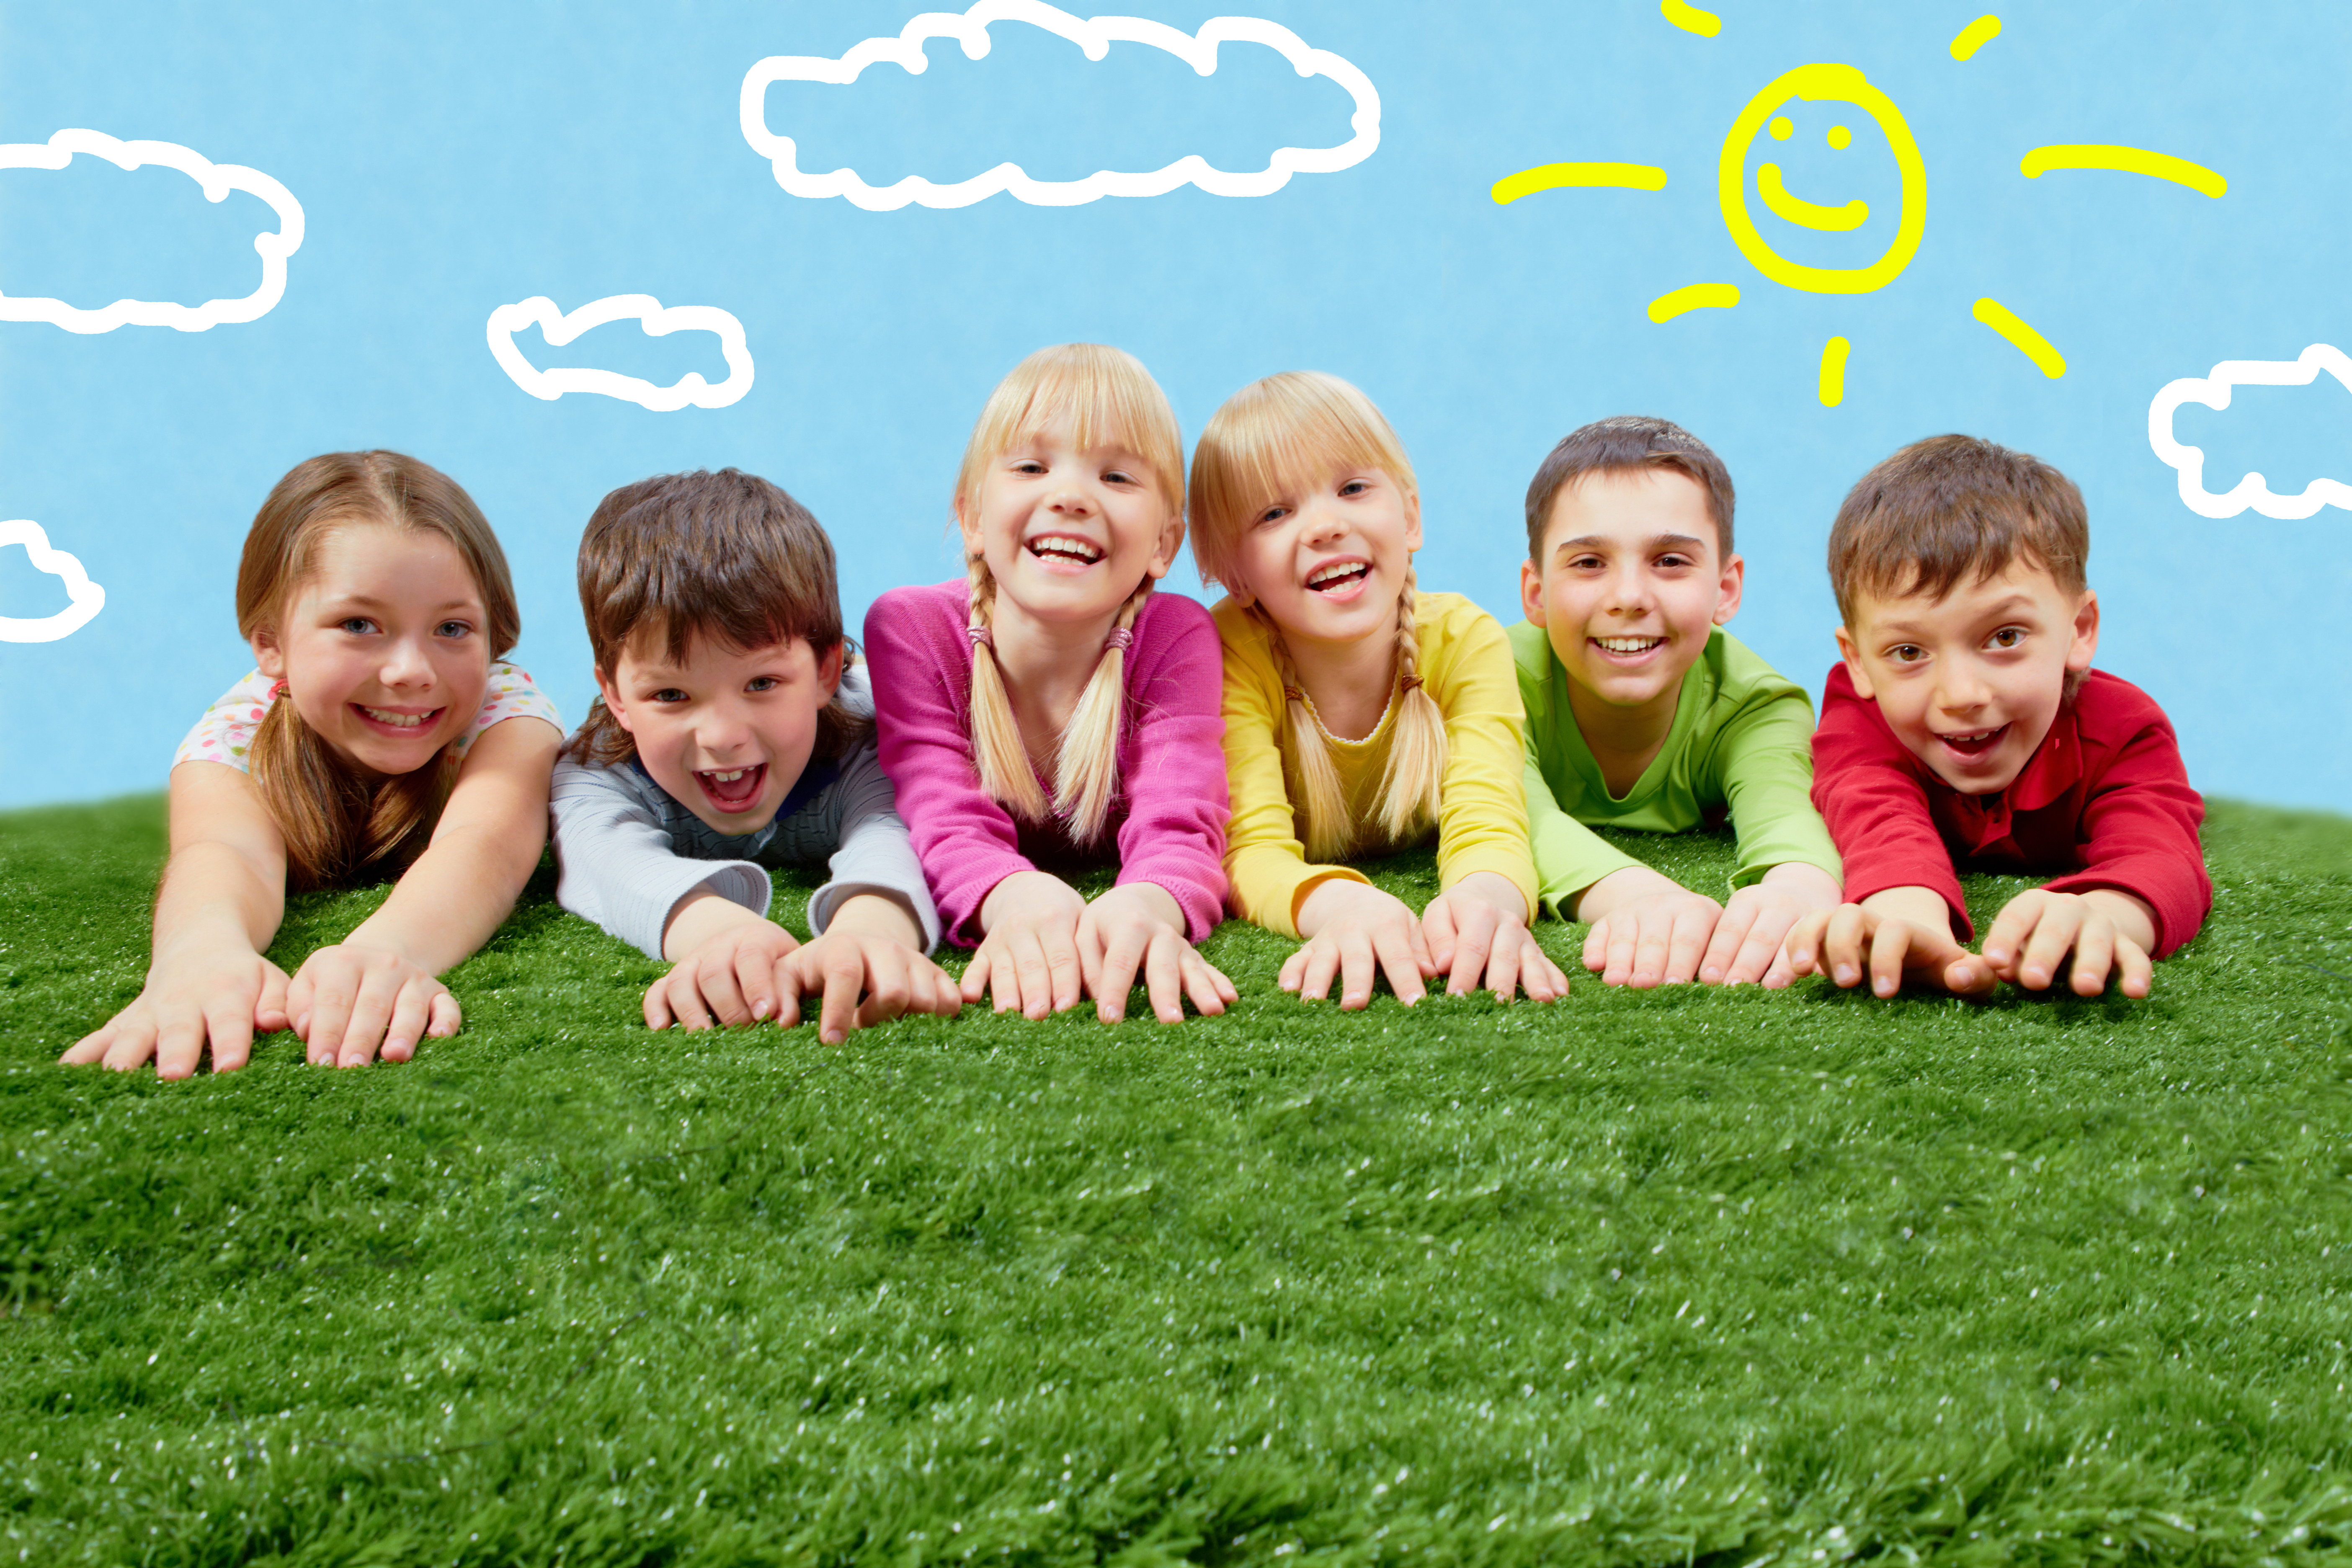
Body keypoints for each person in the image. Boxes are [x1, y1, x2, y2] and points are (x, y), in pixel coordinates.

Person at [64, 450, 563, 1076]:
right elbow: (225, 852)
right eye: (359, 624)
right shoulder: (235, 733)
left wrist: (387, 948)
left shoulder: (506, 707)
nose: (412, 671)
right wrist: (201, 950)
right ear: (271, 644)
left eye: (453, 629)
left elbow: (486, 841)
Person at [863, 343, 1235, 1026]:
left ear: (1165, 543)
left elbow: (1181, 818)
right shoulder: (908, 631)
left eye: (1118, 477)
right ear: (973, 516)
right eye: (1031, 467)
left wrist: (1149, 902)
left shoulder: (1177, 636)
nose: (1069, 496)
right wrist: (1012, 898)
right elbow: (942, 814)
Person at [1190, 370, 1568, 1009]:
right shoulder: (1226, 656)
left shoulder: (1465, 640)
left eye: (1353, 488)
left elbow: (1489, 817)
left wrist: (1486, 898)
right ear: (1233, 572)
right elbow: (1251, 850)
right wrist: (1341, 904)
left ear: (1411, 516)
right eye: (1275, 513)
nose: (1325, 526)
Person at [1787, 434, 2210, 998]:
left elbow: (2161, 856)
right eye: (1909, 652)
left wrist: (2105, 917)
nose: (1961, 694)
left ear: (2079, 631)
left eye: (2004, 637)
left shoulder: (2124, 728)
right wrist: (1906, 919)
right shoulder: (1861, 716)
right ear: (1859, 662)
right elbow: (1877, 818)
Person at [550, 470, 957, 1044]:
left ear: (825, 670)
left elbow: (894, 829)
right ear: (615, 695)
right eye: (670, 695)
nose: (720, 736)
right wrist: (718, 933)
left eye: (762, 683)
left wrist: (870, 930)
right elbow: (607, 866)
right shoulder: (596, 772)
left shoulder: (876, 732)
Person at [1512, 416, 1842, 988]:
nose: (1630, 598)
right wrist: (1636, 895)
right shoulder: (1491, 678)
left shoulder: (1758, 707)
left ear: (1726, 589)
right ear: (1536, 594)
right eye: (1589, 563)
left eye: (1670, 561)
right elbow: (1516, 815)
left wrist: (1798, 887)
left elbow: (1785, 812)